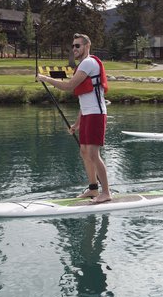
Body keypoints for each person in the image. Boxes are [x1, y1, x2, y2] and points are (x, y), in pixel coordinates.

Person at [36, 33, 111, 204]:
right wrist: (77, 124)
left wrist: (45, 78)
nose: (74, 49)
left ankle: (106, 192)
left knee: (93, 153)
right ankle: (93, 188)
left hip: (96, 114)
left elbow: (69, 86)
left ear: (87, 46)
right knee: (84, 151)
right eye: (73, 46)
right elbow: (84, 99)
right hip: (86, 114)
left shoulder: (89, 62)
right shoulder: (82, 66)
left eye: (78, 45)